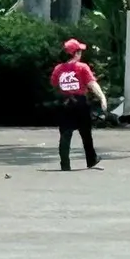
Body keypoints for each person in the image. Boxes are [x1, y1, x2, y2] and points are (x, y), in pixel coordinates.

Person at [50, 39, 107, 171]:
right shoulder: (82, 67)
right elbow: (92, 84)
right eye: (79, 51)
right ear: (75, 53)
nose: (81, 54)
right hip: (80, 102)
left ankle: (65, 164)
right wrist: (102, 97)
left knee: (65, 134)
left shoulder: (58, 69)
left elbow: (54, 84)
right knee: (86, 133)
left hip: (65, 103)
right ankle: (91, 160)